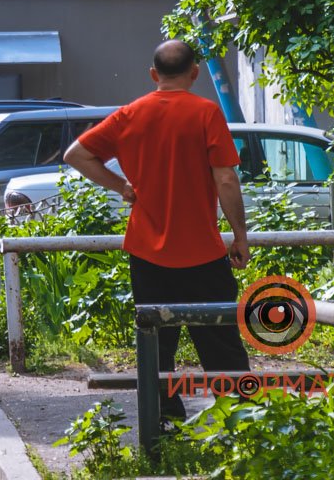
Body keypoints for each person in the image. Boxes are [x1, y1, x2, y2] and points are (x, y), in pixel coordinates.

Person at [62, 39, 251, 422]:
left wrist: (122, 188)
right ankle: (244, 425)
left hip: (147, 255)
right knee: (222, 345)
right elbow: (226, 179)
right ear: (194, 73)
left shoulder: (130, 114)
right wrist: (240, 236)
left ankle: (163, 424)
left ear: (153, 75)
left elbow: (76, 155)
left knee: (156, 346)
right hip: (203, 255)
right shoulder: (205, 113)